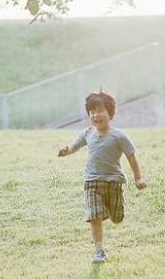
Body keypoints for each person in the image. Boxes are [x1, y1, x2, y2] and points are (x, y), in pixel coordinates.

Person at [58, 92, 147, 263]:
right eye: (92, 111)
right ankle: (99, 251)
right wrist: (66, 150)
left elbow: (132, 157)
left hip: (113, 182)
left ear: (110, 113)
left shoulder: (119, 136)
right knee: (94, 216)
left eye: (100, 111)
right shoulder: (87, 133)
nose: (95, 115)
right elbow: (74, 145)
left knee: (117, 218)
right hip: (91, 182)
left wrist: (138, 178)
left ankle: (108, 209)